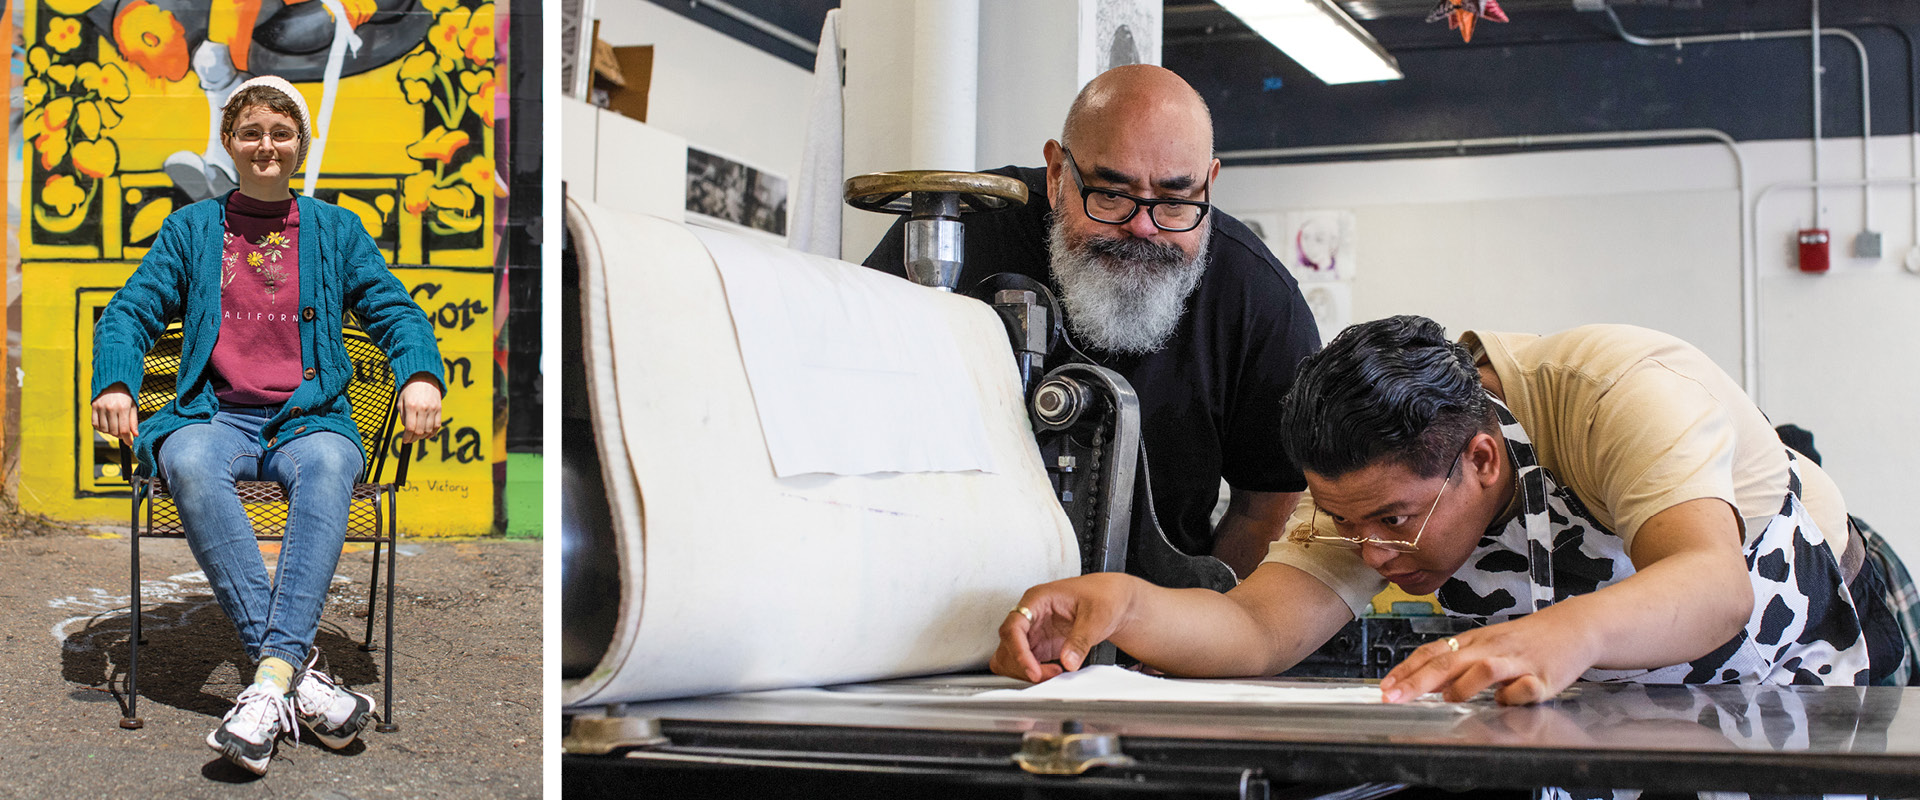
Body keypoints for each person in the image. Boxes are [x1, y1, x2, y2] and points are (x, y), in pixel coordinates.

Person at [993, 316, 1904, 706]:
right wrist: (1126, 604)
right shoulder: (1372, 485)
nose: (1373, 553)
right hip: (1658, 693)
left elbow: (1712, 587)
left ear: (1480, 458)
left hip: (1833, 638)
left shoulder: (1614, 394)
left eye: (1394, 521)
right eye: (1346, 523)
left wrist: (1562, 635)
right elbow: (1257, 632)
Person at [89, 76, 445, 774]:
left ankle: (269, 685)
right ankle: (296, 679)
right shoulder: (193, 229)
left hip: (307, 419)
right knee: (187, 461)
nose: (266, 146)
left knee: (334, 465)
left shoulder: (337, 230)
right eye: (251, 132)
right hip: (212, 413)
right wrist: (117, 382)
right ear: (230, 142)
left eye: (281, 134)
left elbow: (396, 312)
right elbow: (130, 311)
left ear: (300, 145)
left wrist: (422, 374)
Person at [863, 65, 1320, 578]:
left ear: (1209, 185)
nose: (1142, 226)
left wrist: (1185, 624)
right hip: (939, 584)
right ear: (1058, 172)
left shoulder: (1260, 299)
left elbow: (1267, 506)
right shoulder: (961, 230)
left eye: (1173, 200)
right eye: (1111, 194)